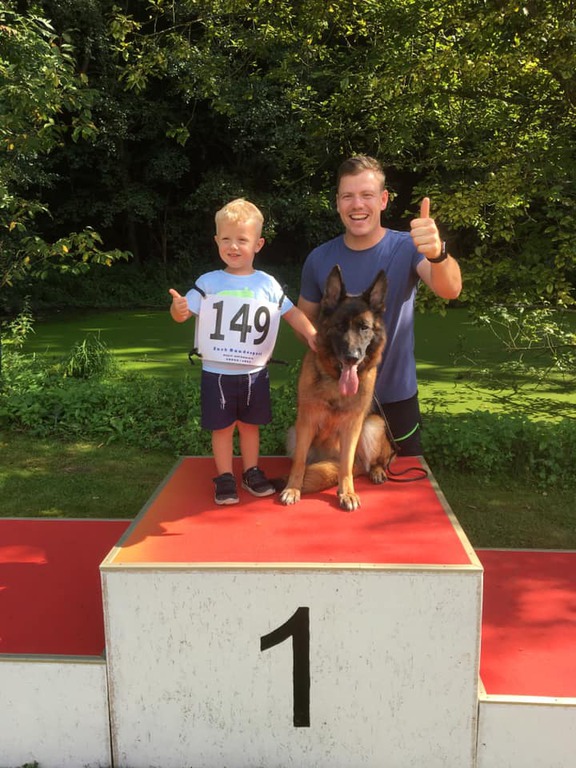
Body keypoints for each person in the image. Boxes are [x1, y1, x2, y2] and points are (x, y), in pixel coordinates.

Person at [297, 155, 462, 456]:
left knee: (405, 482)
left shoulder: (408, 248)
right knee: (328, 479)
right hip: (334, 401)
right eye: (348, 196)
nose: (357, 204)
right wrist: (334, 361)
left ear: (383, 200)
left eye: (367, 195)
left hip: (395, 401)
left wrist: (437, 254)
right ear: (337, 203)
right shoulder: (318, 259)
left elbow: (450, 289)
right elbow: (305, 325)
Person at [169, 198, 317, 505]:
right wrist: (178, 309)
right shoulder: (208, 282)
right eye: (226, 239)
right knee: (222, 428)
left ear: (258, 244)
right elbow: (183, 314)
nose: (233, 246)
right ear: (216, 241)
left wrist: (313, 335)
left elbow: (291, 313)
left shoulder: (267, 284)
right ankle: (225, 476)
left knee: (250, 426)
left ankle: (251, 471)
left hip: (254, 372)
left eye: (242, 240)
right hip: (217, 372)